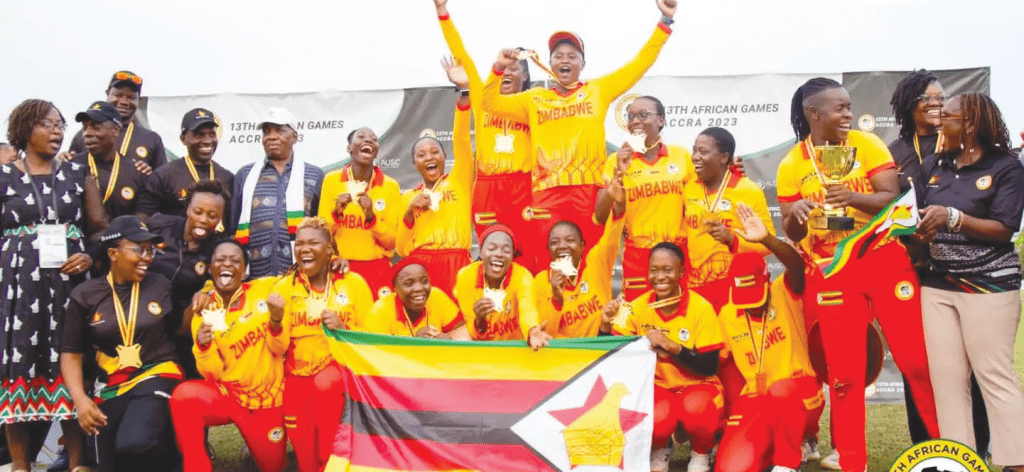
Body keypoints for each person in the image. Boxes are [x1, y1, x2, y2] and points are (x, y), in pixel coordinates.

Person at [777, 77, 938, 472]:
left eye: (849, 106)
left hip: (884, 262)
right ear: (813, 114)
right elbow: (792, 231)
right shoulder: (791, 164)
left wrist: (851, 197)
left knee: (917, 363)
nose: (849, 114)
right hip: (833, 273)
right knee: (845, 376)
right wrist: (797, 215)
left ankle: (944, 453)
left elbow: (890, 199)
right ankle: (852, 462)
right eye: (840, 109)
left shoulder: (867, 145)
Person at [482, 0, 677, 268]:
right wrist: (497, 68)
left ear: (582, 63)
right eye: (558, 55)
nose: (565, 60)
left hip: (587, 192)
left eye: (572, 56)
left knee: (589, 263)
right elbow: (489, 104)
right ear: (550, 63)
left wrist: (664, 23)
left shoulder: (598, 90)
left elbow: (639, 63)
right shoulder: (534, 99)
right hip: (546, 192)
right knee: (547, 264)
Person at [916, 93, 1024, 470]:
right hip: (937, 286)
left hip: (989, 284)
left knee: (993, 376)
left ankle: (1016, 462)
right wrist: (924, 229)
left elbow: (1004, 228)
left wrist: (952, 217)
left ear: (971, 124)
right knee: (947, 381)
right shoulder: (937, 164)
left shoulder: (1007, 168)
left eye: (947, 116)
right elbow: (928, 216)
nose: (938, 120)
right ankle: (957, 463)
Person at [1, 99, 106, 472]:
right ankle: (20, 465)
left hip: (68, 286)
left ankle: (77, 463)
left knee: (70, 358)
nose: (58, 131)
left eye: (61, 125)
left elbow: (100, 228)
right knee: (20, 367)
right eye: (48, 124)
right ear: (26, 128)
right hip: (18, 290)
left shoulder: (78, 173)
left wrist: (91, 256)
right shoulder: (3, 176)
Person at [887, 70, 990, 451]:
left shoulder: (964, 145)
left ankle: (976, 445)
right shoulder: (892, 152)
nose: (936, 104)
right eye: (927, 99)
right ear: (908, 104)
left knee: (970, 360)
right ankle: (926, 445)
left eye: (940, 98)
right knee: (920, 363)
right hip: (914, 269)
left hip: (963, 265)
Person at [60, 216, 183, 472]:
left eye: (150, 250)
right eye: (139, 249)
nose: (147, 257)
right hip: (110, 385)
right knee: (104, 463)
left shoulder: (160, 283)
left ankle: (175, 463)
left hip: (156, 373)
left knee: (134, 443)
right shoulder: (84, 295)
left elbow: (179, 326)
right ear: (113, 253)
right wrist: (81, 401)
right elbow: (71, 354)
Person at [713, 204, 825, 472]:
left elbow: (796, 264)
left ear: (766, 280)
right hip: (757, 397)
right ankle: (776, 444)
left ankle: (788, 462)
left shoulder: (783, 292)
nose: (751, 305)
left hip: (799, 389)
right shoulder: (728, 313)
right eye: (744, 299)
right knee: (731, 468)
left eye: (755, 296)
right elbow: (721, 364)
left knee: (781, 391)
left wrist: (766, 239)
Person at [599, 242, 723, 472]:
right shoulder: (637, 307)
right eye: (654, 270)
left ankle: (701, 452)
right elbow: (611, 353)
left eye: (668, 270)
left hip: (697, 385)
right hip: (658, 387)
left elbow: (710, 366)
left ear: (681, 273)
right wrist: (605, 324)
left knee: (697, 411)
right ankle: (660, 447)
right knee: (658, 418)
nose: (660, 277)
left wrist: (673, 348)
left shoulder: (700, 308)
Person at [433, 0, 539, 271]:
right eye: (504, 68)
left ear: (525, 76)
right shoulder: (483, 99)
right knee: (492, 258)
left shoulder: (535, 104)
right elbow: (462, 55)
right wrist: (443, 12)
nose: (507, 73)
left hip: (522, 188)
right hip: (489, 187)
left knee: (525, 257)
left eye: (515, 69)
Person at [169, 239, 288, 472]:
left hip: (266, 399)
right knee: (183, 397)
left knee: (274, 467)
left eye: (235, 261)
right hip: (229, 397)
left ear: (244, 272)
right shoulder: (204, 310)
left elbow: (280, 347)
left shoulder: (265, 290)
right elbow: (212, 372)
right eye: (220, 260)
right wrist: (203, 347)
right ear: (211, 268)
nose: (227, 264)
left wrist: (337, 263)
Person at [267, 217, 373, 472]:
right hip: (297, 379)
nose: (304, 249)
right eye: (299, 243)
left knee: (329, 449)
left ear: (330, 250)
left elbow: (372, 338)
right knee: (305, 458)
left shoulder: (353, 283)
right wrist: (275, 319)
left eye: (313, 243)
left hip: (338, 376)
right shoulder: (284, 287)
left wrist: (344, 329)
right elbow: (277, 348)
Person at [594, 95, 693, 301]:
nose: (635, 121)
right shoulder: (616, 160)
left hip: (677, 251)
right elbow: (600, 216)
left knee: (680, 315)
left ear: (661, 120)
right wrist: (617, 176)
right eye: (630, 116)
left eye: (643, 115)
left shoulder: (681, 156)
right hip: (639, 254)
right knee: (637, 320)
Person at [682, 127, 773, 311]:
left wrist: (732, 240)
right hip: (697, 289)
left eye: (703, 151)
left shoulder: (747, 190)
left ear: (724, 157)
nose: (695, 157)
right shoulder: (689, 188)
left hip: (736, 285)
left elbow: (768, 243)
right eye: (694, 150)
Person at [147, 180, 230, 379]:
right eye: (198, 212)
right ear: (187, 209)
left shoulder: (220, 246)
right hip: (145, 319)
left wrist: (208, 289)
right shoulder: (159, 224)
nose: (203, 220)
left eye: (212, 216)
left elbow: (225, 279)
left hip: (181, 328)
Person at [396, 92, 474, 298]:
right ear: (414, 164)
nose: (429, 157)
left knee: (461, 322)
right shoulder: (408, 198)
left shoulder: (458, 181)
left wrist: (464, 99)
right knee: (428, 323)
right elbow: (402, 249)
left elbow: (463, 140)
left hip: (456, 263)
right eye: (421, 155)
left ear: (444, 157)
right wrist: (410, 212)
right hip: (422, 267)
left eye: (434, 152)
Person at [231, 107, 324, 278]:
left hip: (301, 277)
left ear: (294, 136)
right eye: (267, 132)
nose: (271, 136)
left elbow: (323, 227)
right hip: (254, 276)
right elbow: (232, 227)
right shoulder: (245, 175)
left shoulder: (314, 175)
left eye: (280, 130)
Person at [535, 179, 626, 339]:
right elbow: (546, 334)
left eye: (570, 240)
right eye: (555, 242)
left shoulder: (596, 262)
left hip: (600, 350)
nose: (562, 246)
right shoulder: (542, 283)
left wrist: (618, 203)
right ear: (549, 250)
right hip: (565, 358)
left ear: (583, 246)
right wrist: (556, 298)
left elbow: (612, 235)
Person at [318, 127, 401, 299]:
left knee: (377, 323)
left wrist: (371, 217)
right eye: (361, 137)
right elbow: (321, 235)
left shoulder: (390, 186)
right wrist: (337, 212)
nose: (368, 140)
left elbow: (392, 242)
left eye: (373, 139)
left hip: (377, 269)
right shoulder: (332, 180)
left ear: (377, 150)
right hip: (341, 266)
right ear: (349, 148)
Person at [452, 224, 550, 348]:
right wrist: (479, 320)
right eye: (492, 248)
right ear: (481, 252)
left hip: (514, 347)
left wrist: (533, 330)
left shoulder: (522, 276)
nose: (499, 254)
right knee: (459, 335)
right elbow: (471, 328)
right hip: (481, 347)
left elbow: (527, 308)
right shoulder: (465, 276)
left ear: (513, 256)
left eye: (506, 250)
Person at [138, 108, 234, 223]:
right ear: (183, 139)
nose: (207, 141)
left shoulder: (228, 177)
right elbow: (142, 217)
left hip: (217, 240)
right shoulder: (163, 176)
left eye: (212, 134)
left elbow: (231, 222)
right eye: (199, 135)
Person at [68, 71, 166, 171]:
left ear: (139, 101)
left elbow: (164, 180)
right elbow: (68, 170)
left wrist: (150, 175)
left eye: (131, 97)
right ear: (107, 93)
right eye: (118, 95)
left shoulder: (151, 139)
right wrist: (62, 159)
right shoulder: (84, 135)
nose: (124, 102)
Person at [70, 101, 149, 219]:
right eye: (85, 128)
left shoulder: (136, 172)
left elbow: (143, 215)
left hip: (122, 237)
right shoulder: (70, 167)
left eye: (96, 127)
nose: (87, 133)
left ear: (116, 131)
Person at [361, 257, 471, 340]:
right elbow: (374, 355)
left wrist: (448, 340)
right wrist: (414, 342)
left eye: (424, 281)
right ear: (394, 288)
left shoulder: (436, 296)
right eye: (409, 284)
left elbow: (462, 335)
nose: (419, 288)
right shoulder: (380, 310)